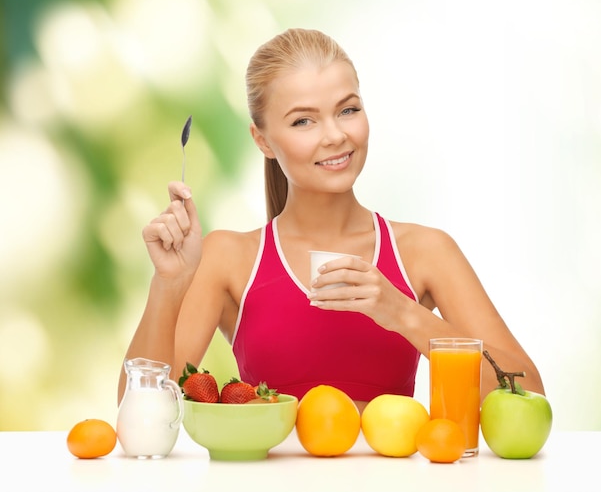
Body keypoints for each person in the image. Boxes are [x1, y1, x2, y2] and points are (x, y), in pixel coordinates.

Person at [118, 28, 545, 410]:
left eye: (347, 110)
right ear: (262, 140)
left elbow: (529, 396)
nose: (335, 135)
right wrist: (169, 284)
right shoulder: (229, 257)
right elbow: (140, 415)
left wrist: (404, 314)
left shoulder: (426, 252)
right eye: (304, 120)